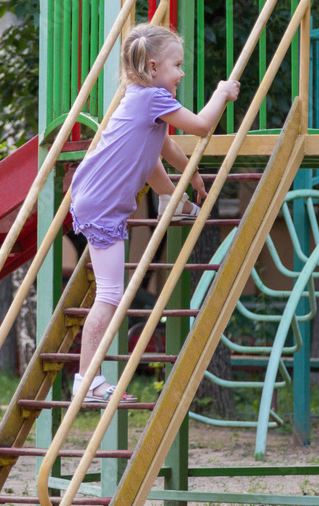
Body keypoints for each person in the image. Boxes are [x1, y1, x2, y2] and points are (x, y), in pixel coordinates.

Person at [69, 22, 240, 403]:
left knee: (110, 292)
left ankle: (172, 202)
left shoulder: (138, 98)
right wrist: (221, 93)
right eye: (176, 65)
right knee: (110, 295)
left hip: (95, 194)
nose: (181, 73)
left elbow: (160, 149)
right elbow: (200, 126)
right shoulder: (152, 98)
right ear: (151, 67)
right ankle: (87, 380)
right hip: (103, 204)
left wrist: (189, 176)